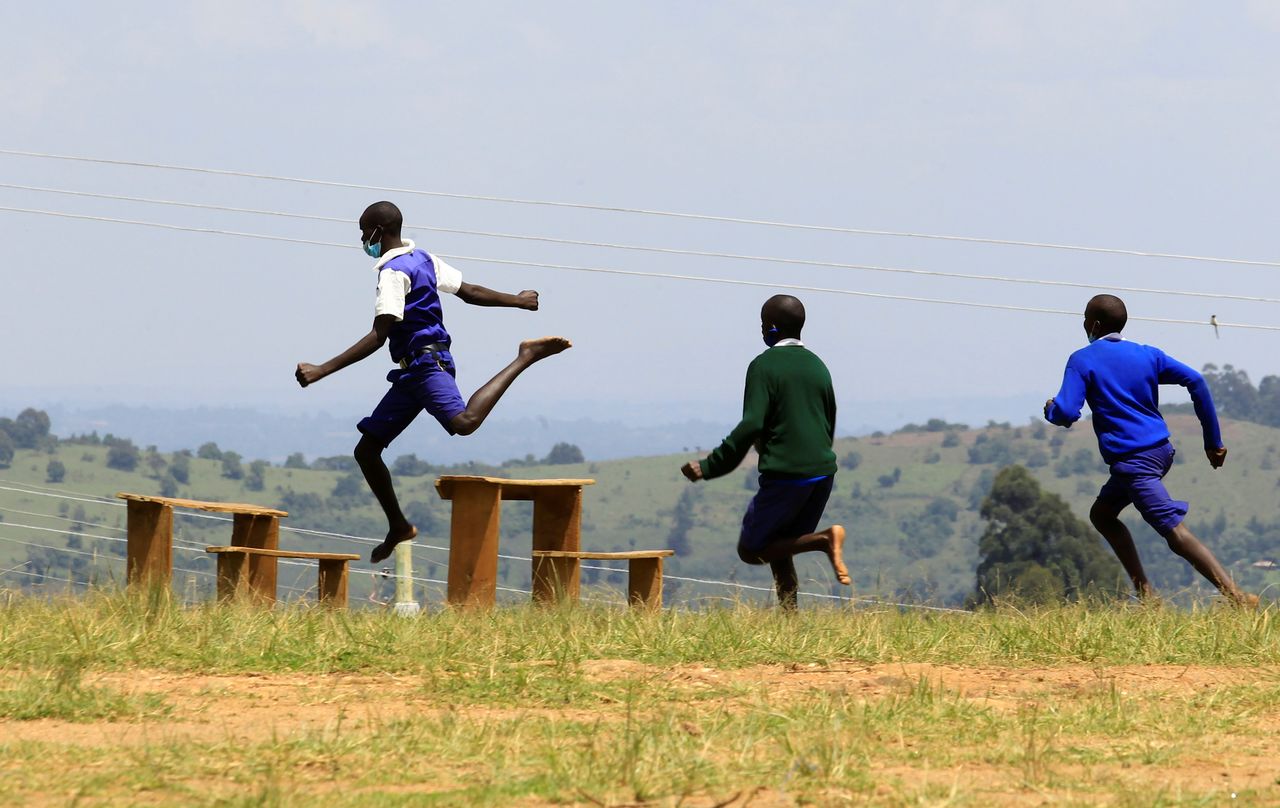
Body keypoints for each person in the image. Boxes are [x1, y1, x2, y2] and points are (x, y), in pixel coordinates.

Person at [296, 201, 571, 563]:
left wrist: (322, 369)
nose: (363, 239)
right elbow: (469, 291)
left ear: (379, 230)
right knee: (366, 451)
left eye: (364, 232)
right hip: (411, 373)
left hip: (428, 365)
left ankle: (525, 356)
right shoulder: (423, 258)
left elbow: (380, 335)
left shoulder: (393, 272)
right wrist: (516, 301)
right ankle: (398, 525)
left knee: (464, 423)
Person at [1044, 294, 1255, 606]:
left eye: (1085, 318)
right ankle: (1146, 594)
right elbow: (1196, 381)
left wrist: (1050, 408)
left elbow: (1065, 413)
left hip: (1133, 462)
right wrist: (1213, 441)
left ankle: (1238, 598)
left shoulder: (1082, 360)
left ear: (1095, 324)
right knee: (1102, 515)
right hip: (1160, 452)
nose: (1084, 324)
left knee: (1172, 530)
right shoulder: (1147, 355)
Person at [680, 294, 849, 609]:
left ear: (771, 329)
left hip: (787, 476)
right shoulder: (818, 365)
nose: (760, 331)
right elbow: (829, 420)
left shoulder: (763, 366)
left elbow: (752, 424)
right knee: (780, 546)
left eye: (762, 325)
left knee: (753, 549)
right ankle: (789, 620)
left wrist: (710, 466)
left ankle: (824, 539)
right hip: (822, 473)